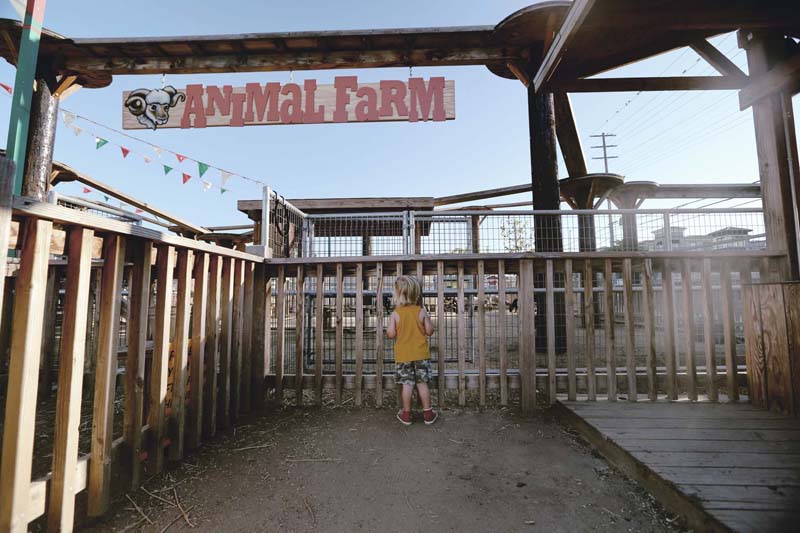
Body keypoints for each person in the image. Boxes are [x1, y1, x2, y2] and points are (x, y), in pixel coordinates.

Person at [387, 275, 438, 426]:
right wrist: (425, 321)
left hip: (404, 356)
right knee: (422, 383)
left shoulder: (396, 314)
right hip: (421, 354)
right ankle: (428, 414)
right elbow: (429, 331)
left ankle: (406, 414)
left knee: (407, 384)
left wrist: (395, 327)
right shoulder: (421, 311)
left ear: (397, 295)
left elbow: (390, 334)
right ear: (416, 294)